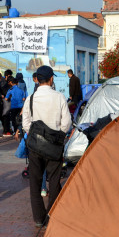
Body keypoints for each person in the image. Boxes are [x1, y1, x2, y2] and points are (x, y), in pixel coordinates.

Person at [21, 65, 71, 227]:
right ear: (50, 79)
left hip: (35, 147)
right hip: (54, 146)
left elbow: (26, 124)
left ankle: (38, 218)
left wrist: (36, 135)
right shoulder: (59, 97)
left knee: (35, 182)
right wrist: (57, 136)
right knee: (54, 181)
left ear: (37, 79)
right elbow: (67, 123)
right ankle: (51, 214)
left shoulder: (31, 98)